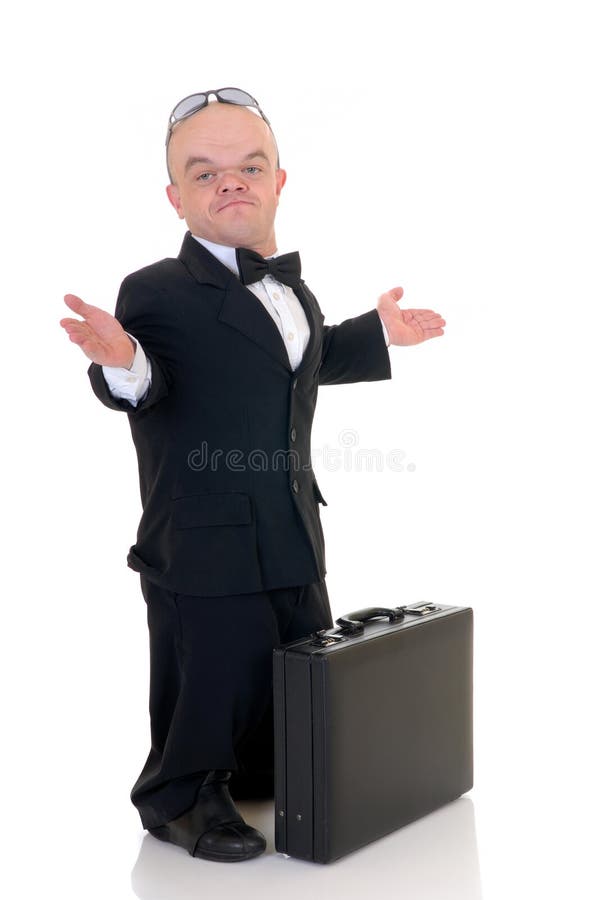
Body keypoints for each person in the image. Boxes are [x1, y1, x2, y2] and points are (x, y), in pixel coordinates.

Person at [60, 87, 446, 863]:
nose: (229, 182)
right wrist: (122, 362)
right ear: (176, 197)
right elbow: (151, 378)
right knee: (208, 665)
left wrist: (378, 335)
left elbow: (293, 364)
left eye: (248, 166)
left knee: (297, 659)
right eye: (205, 174)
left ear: (278, 180)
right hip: (203, 534)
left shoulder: (291, 288)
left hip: (291, 520)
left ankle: (268, 770)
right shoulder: (156, 291)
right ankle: (182, 797)